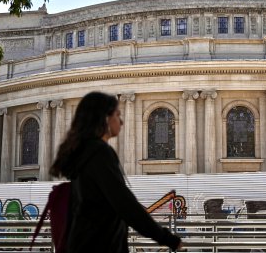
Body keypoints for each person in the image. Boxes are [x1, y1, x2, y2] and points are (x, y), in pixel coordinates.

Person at [49, 92, 182, 253]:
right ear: (105, 119)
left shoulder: (82, 153)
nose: (122, 121)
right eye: (117, 115)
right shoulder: (99, 153)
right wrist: (167, 238)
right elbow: (125, 203)